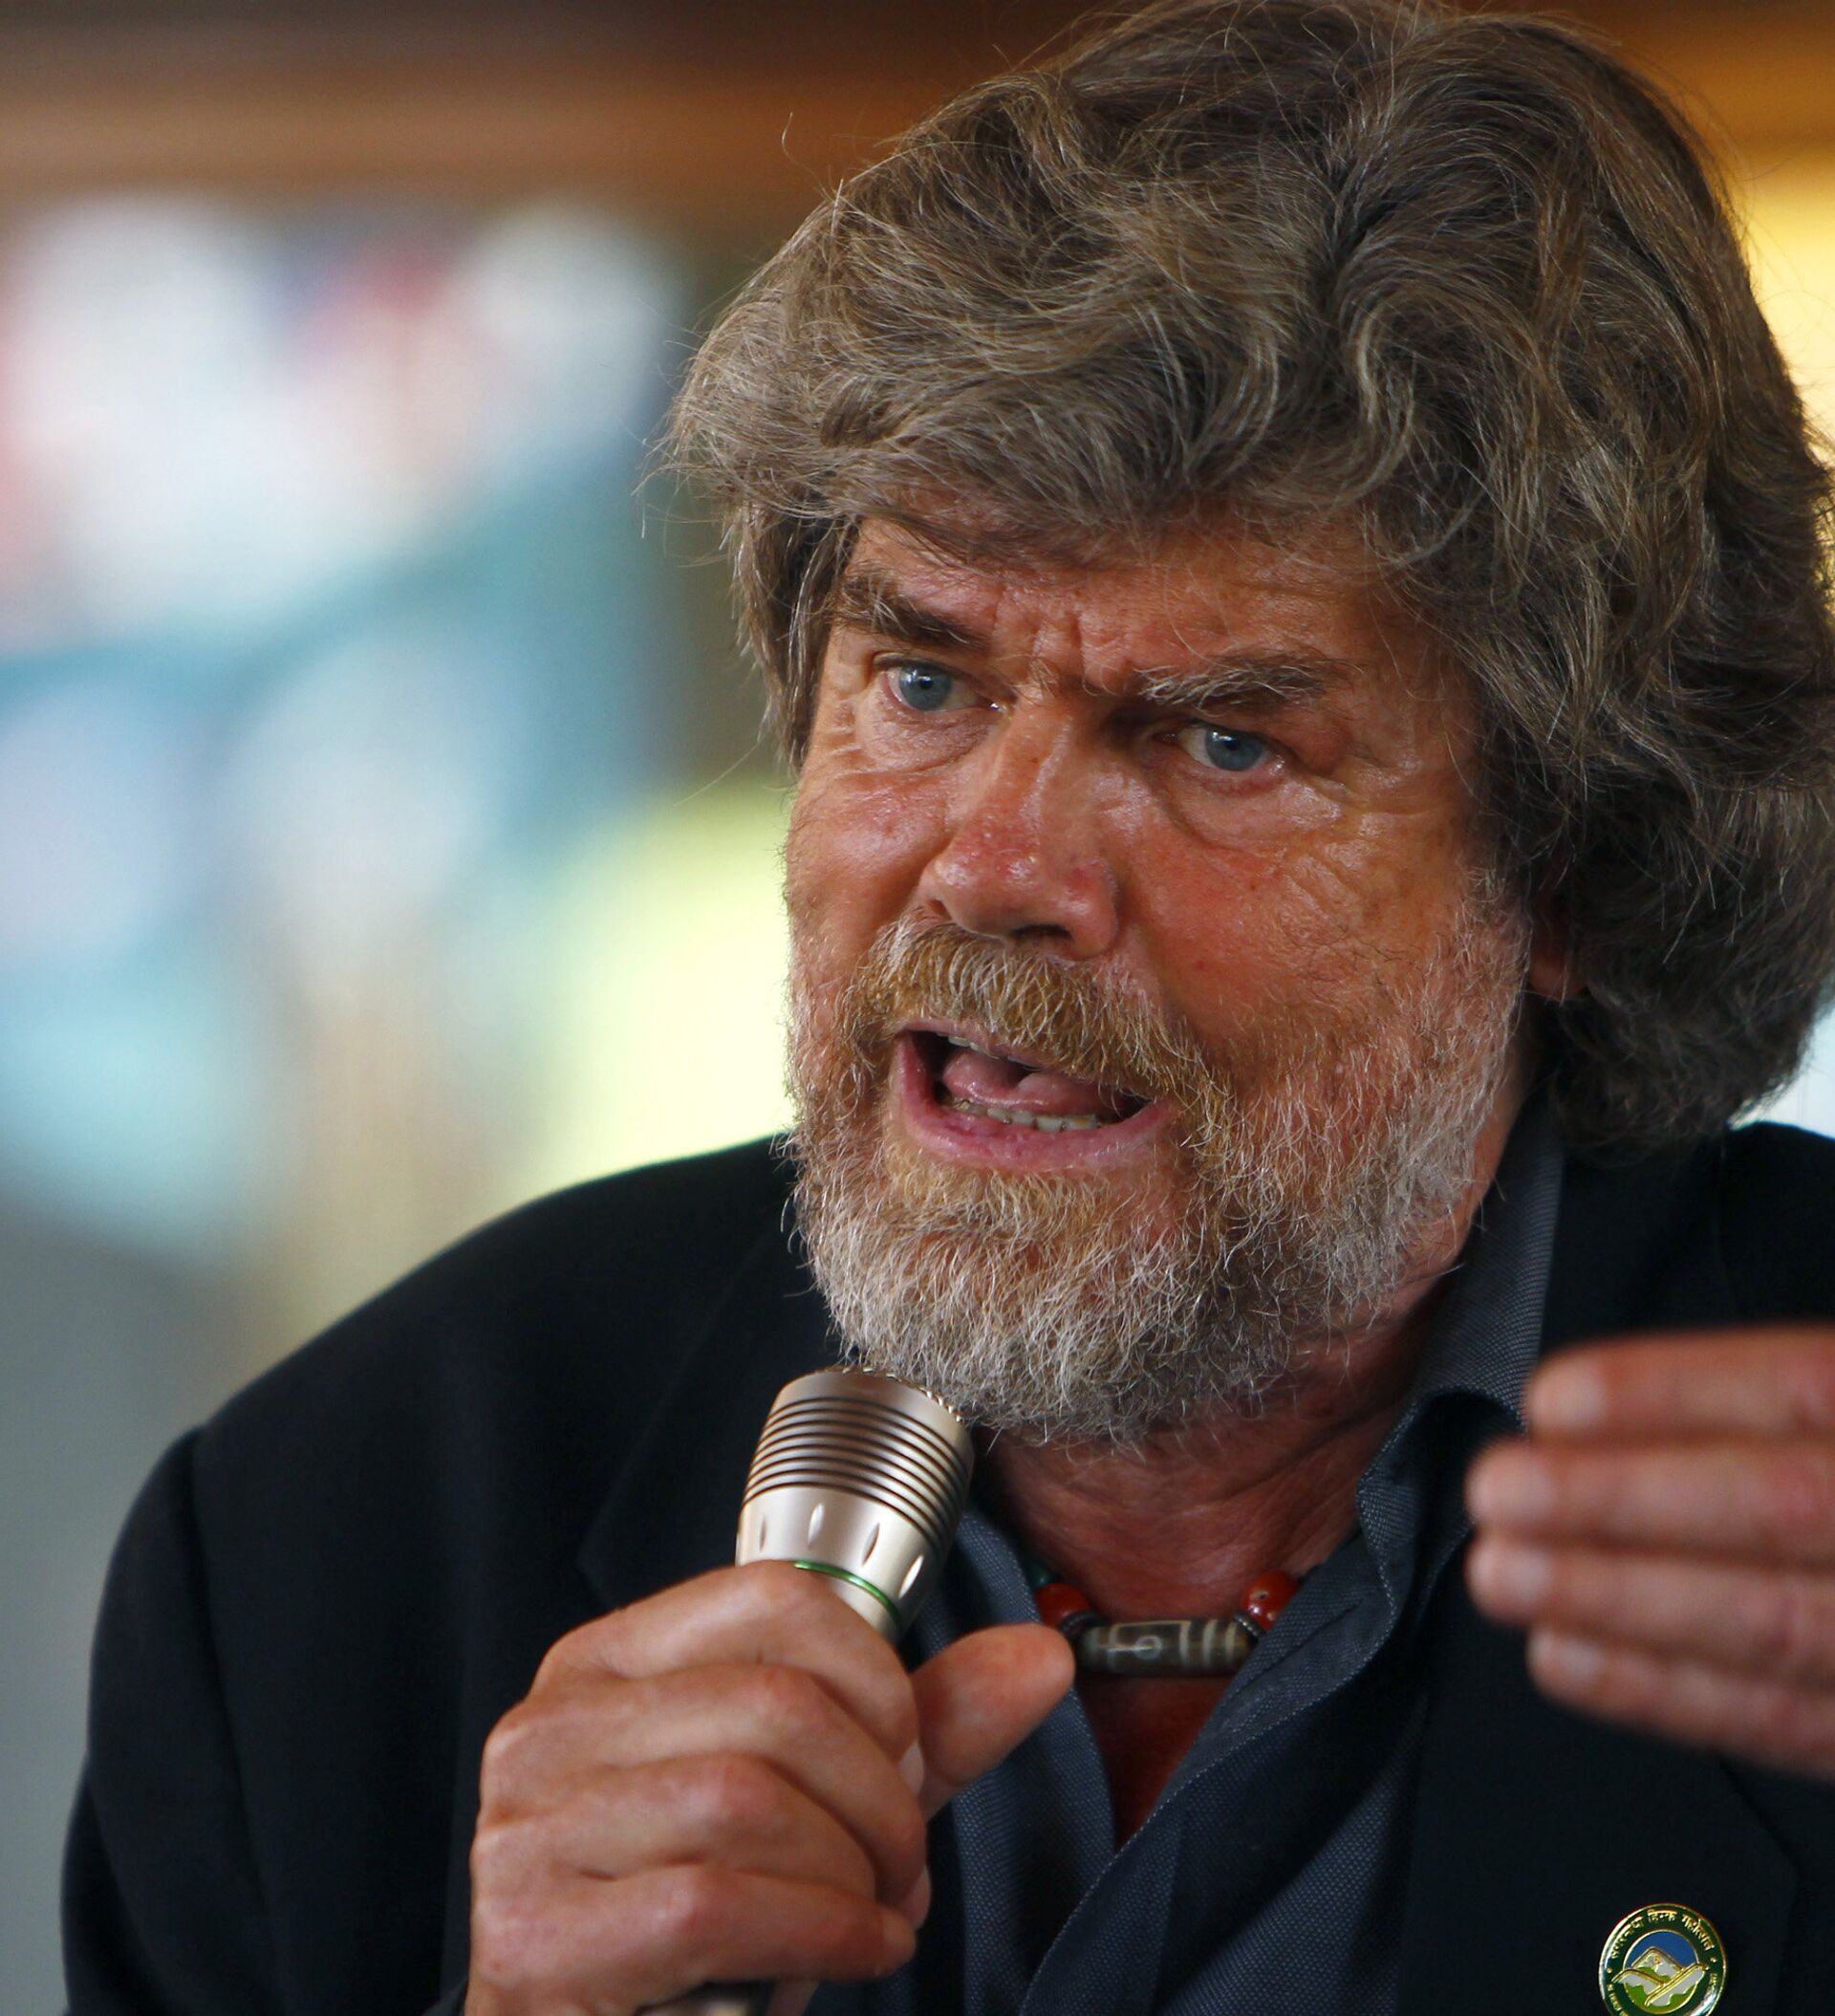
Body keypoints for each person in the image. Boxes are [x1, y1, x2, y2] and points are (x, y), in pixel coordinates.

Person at [65, 2, 1835, 2011]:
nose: (995, 865)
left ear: (1581, 869)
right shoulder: (325, 1534)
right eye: (920, 680)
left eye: (1224, 741)